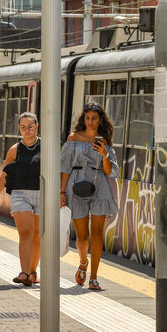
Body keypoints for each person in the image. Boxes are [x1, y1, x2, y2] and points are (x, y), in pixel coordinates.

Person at [60, 102, 119, 291]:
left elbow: (110, 172)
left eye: (94, 118)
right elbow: (65, 167)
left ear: (100, 120)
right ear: (83, 119)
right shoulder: (73, 138)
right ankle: (83, 262)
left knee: (97, 234)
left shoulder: (105, 141)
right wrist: (62, 192)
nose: (90, 121)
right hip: (76, 185)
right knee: (83, 237)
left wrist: (104, 155)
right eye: (87, 118)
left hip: (99, 185)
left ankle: (94, 278)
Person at [0, 112, 41, 286]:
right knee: (26, 233)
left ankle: (33, 272)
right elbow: (6, 175)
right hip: (20, 195)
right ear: (19, 128)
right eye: (23, 127)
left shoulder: (46, 147)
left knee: (37, 235)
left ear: (37, 126)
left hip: (42, 195)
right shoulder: (15, 150)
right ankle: (24, 272)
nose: (27, 130)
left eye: (30, 126)